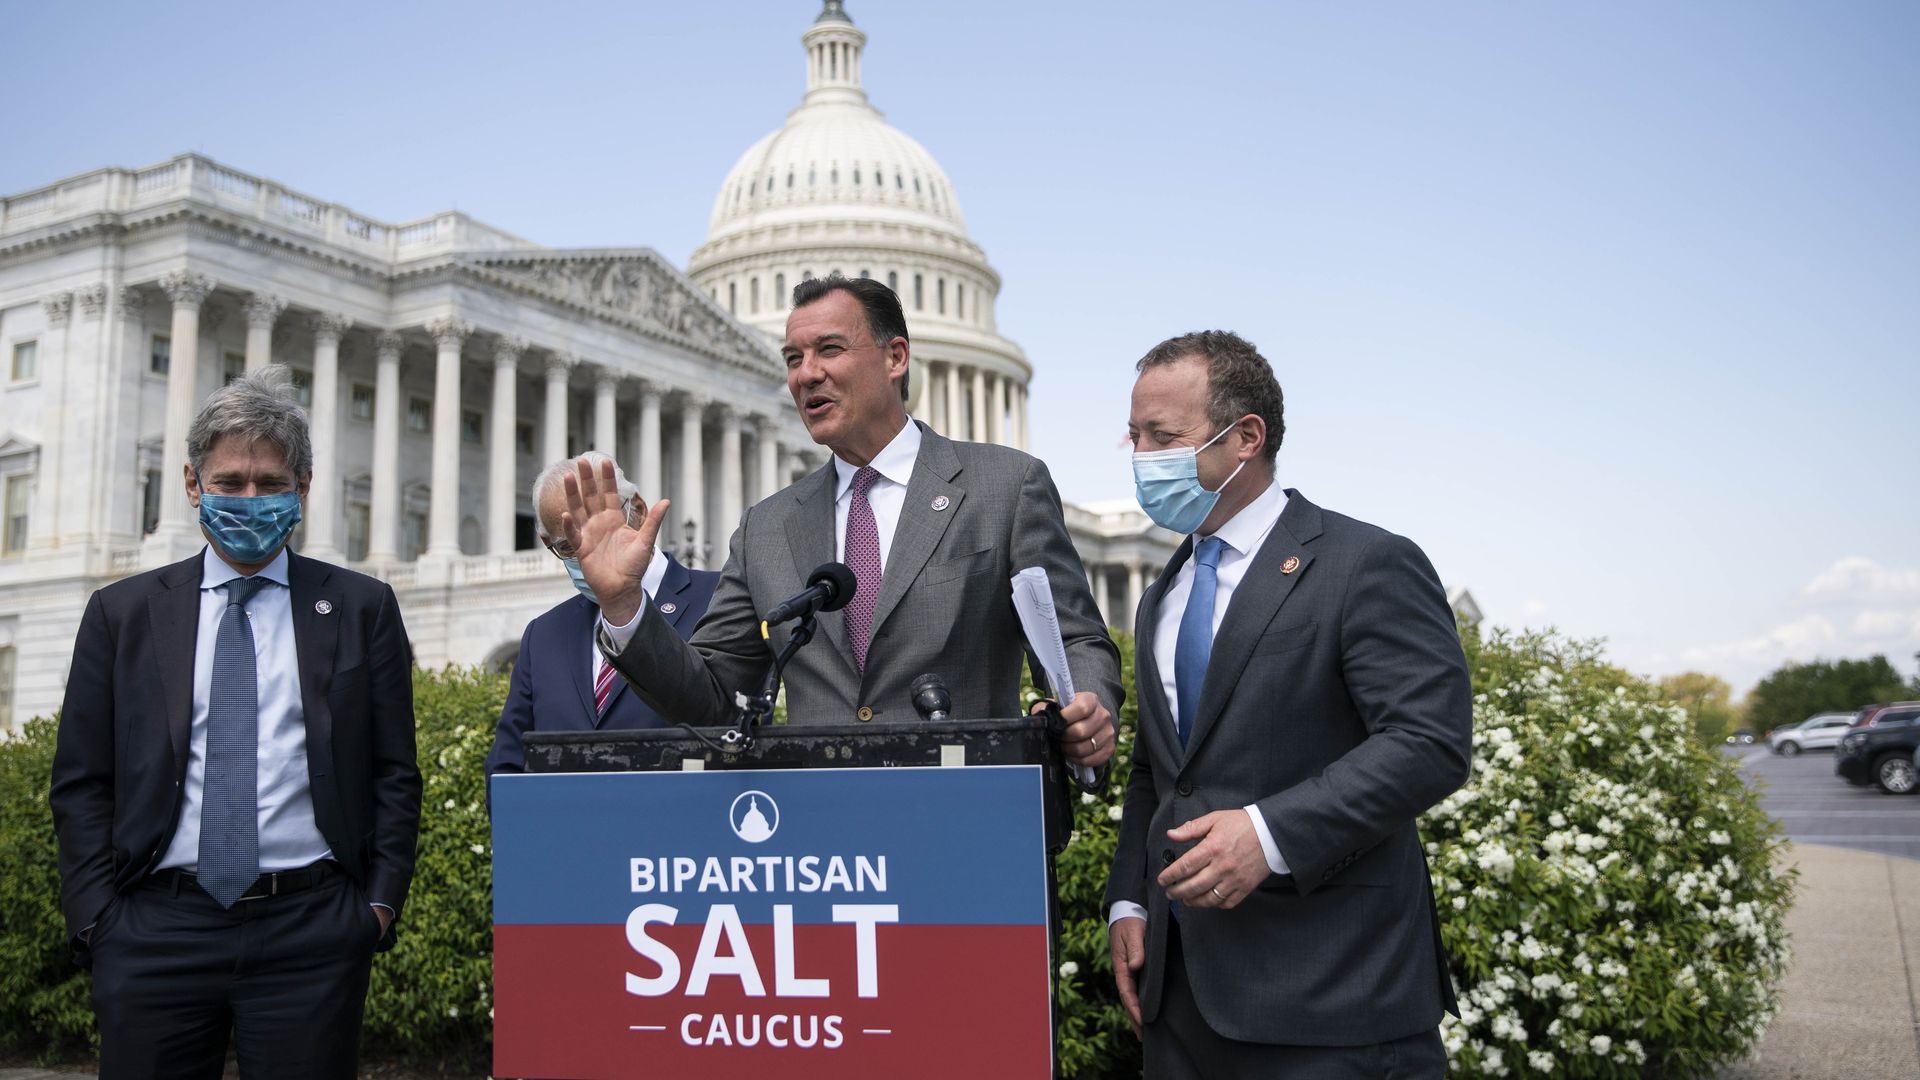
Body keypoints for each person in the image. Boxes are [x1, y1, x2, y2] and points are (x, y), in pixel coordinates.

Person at [563, 274, 1120, 766]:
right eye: (793, 359)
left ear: (895, 357)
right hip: (826, 849)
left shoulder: (1003, 487)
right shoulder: (768, 528)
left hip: (969, 821)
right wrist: (623, 605)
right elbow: (712, 697)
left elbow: (1073, 637)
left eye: (829, 349)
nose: (807, 375)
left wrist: (1086, 706)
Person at [1104, 331, 1471, 1078]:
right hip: (1179, 1009)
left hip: (1334, 1003)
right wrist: (1129, 904)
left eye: (1162, 437)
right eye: (1134, 435)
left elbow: (1429, 742)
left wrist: (1269, 834)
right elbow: (1159, 771)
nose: (1140, 457)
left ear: (1246, 438)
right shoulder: (1161, 594)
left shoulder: (1364, 562)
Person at [50, 367, 421, 1080]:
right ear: (193, 486)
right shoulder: (122, 613)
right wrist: (99, 917)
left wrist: (375, 905)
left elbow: (393, 772)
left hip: (310, 929)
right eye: (230, 483)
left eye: (270, 482)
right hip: (156, 928)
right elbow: (81, 781)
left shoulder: (360, 607)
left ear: (303, 489)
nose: (250, 498)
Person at [484, 451, 720, 778]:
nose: (588, 554)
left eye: (600, 533)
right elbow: (505, 766)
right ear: (546, 542)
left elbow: (733, 727)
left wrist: (625, 605)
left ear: (637, 510)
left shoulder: (719, 597)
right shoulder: (543, 634)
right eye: (569, 546)